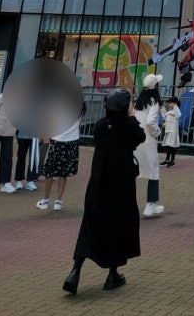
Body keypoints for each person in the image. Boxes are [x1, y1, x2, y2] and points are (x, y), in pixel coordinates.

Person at [62, 89, 145, 294]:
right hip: (121, 187)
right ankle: (112, 274)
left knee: (90, 226)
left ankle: (75, 271)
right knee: (118, 226)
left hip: (98, 184)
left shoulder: (101, 126)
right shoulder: (129, 127)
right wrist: (131, 116)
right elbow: (140, 136)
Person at [36, 101, 85, 211]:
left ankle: (45, 200)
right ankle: (58, 201)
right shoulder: (80, 106)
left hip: (58, 141)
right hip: (72, 142)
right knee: (63, 173)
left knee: (49, 172)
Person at [134, 72, 164, 216]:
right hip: (148, 140)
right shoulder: (154, 102)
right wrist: (157, 132)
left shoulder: (139, 101)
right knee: (153, 172)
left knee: (134, 170)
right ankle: (151, 204)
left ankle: (149, 203)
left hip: (136, 139)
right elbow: (151, 121)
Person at [161, 94, 181, 166]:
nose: (169, 105)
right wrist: (162, 108)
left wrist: (175, 106)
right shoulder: (170, 111)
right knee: (168, 146)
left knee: (172, 146)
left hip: (173, 131)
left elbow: (179, 115)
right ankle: (167, 159)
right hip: (168, 130)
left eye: (170, 103)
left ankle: (172, 160)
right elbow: (165, 117)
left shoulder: (176, 110)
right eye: (169, 103)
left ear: (175, 103)